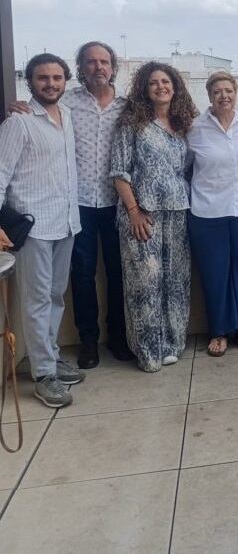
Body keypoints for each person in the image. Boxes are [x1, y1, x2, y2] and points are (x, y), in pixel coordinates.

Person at [8, 41, 130, 369]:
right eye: (90, 62)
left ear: (113, 66)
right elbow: (35, 118)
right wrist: (19, 105)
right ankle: (88, 341)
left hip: (117, 203)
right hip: (77, 206)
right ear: (80, 68)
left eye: (104, 61)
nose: (98, 67)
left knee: (119, 273)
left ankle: (119, 337)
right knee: (81, 275)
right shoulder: (68, 104)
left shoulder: (128, 106)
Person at [0, 53, 83, 407]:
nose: (50, 84)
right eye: (42, 78)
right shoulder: (18, 123)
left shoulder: (68, 116)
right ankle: (43, 375)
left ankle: (49, 356)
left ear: (66, 80)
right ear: (30, 82)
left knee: (54, 295)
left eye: (56, 77)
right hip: (33, 226)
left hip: (65, 221)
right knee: (36, 300)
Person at [110, 62, 197, 372]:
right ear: (144, 90)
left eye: (166, 81)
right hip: (142, 215)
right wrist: (134, 211)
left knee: (175, 282)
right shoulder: (131, 123)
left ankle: (173, 344)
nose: (161, 86)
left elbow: (188, 170)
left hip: (177, 213)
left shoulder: (184, 123)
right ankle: (148, 350)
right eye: (153, 83)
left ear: (175, 86)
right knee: (144, 284)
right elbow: (119, 172)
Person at [188, 72, 238, 356]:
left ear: (237, 93)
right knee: (215, 273)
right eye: (217, 91)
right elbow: (185, 166)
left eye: (229, 90)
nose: (224, 96)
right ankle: (218, 331)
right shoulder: (195, 128)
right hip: (208, 211)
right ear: (209, 96)